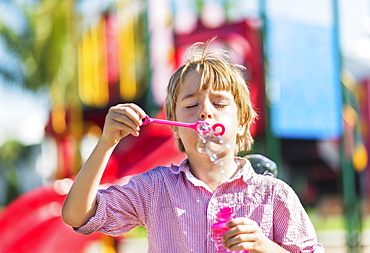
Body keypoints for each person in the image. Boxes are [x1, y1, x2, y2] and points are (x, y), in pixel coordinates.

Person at [62, 38, 324, 253]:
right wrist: (107, 142)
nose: (205, 112)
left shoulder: (274, 196)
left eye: (219, 104)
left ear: (242, 122)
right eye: (191, 105)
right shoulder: (156, 189)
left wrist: (266, 247)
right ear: (174, 125)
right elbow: (77, 215)